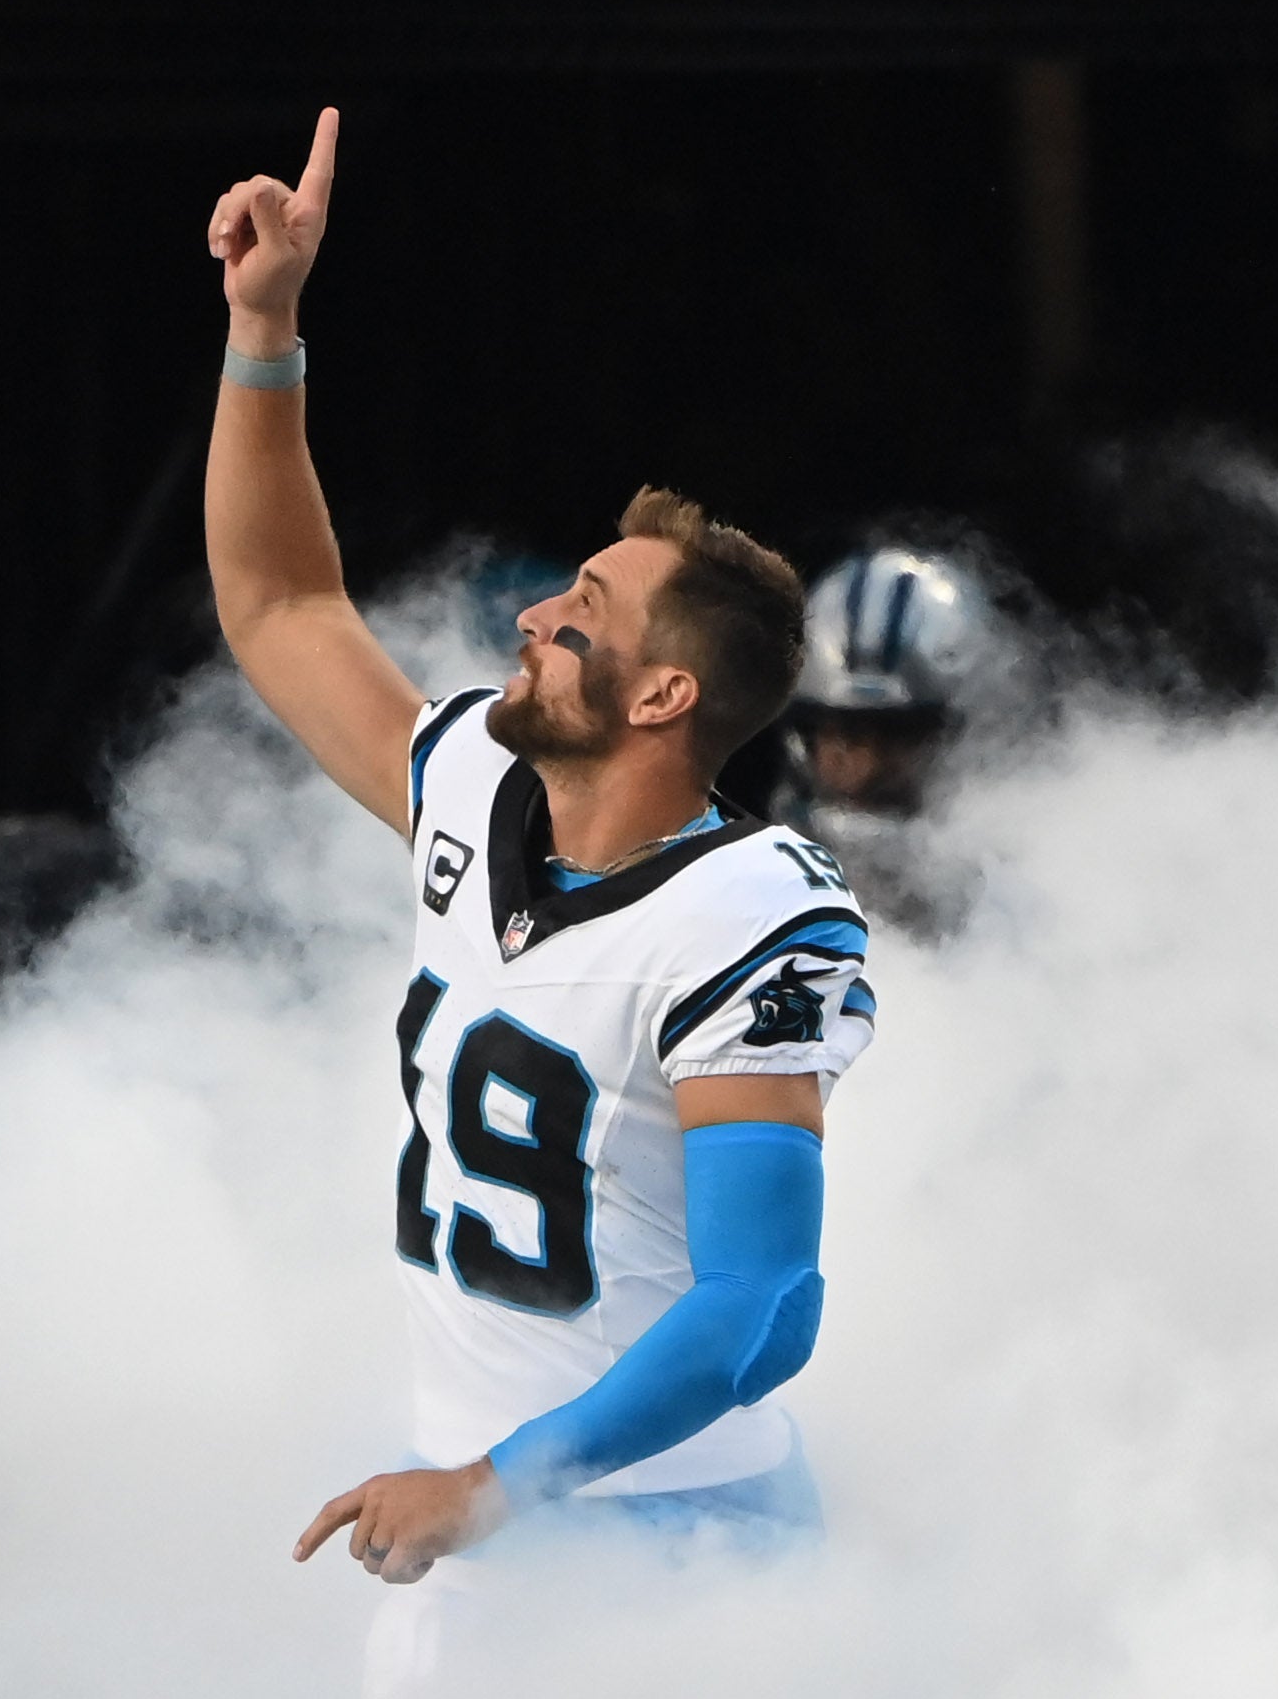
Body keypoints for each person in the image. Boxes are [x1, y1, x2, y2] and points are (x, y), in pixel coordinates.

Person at [201, 111, 878, 1690]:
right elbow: (281, 600)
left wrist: (495, 1483)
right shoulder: (471, 784)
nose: (529, 616)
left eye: (579, 615)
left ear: (662, 696)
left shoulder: (746, 912)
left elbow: (762, 1303)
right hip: (489, 1533)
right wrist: (264, 331)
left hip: (674, 1544)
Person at [770, 543, 1020, 932]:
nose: (868, 767)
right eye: (846, 733)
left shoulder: (1025, 915)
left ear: (966, 741)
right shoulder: (741, 904)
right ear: (805, 739)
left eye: (900, 734)